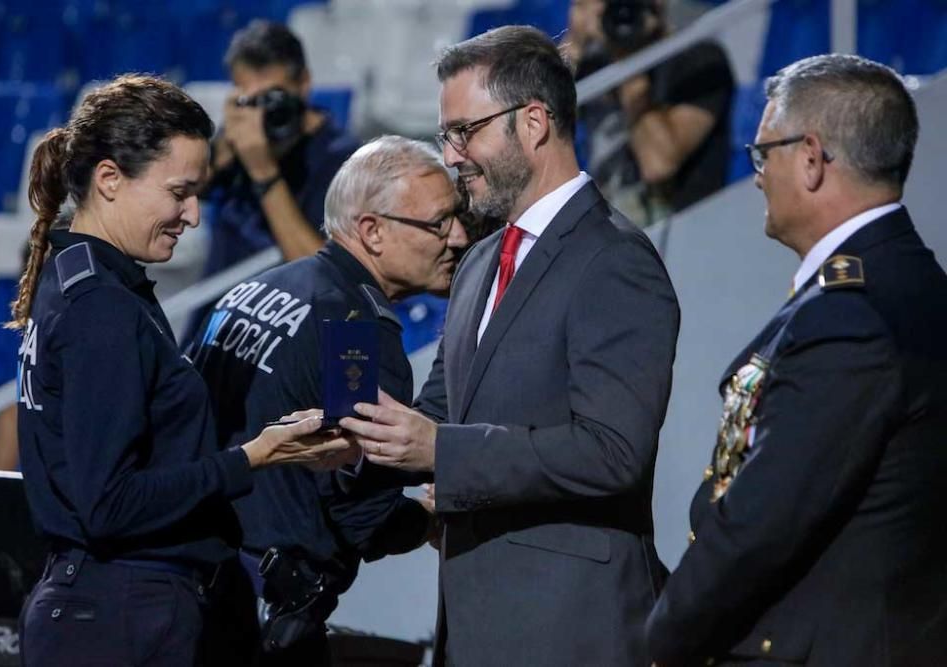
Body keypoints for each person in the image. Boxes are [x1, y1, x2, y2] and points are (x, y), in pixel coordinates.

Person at [338, 25, 681, 666]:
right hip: (476, 626)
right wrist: (351, 442)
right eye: (446, 135)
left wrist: (442, 449)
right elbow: (440, 413)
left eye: (464, 132)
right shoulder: (479, 260)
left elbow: (612, 453)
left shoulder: (614, 260)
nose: (451, 156)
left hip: (572, 628)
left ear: (533, 122)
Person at [11, 75, 352, 667]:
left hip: (101, 608)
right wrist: (255, 456)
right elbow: (111, 504)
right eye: (178, 193)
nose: (193, 215)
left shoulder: (84, 281)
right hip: (121, 615)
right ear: (110, 180)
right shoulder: (102, 309)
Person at [646, 54, 947, 666]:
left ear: (811, 158)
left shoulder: (851, 318)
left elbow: (759, 527)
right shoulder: (906, 286)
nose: (757, 176)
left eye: (764, 155)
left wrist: (656, 642)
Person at [189, 135, 468, 665]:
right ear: (372, 231)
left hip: (200, 591)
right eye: (438, 224)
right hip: (263, 620)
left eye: (457, 218)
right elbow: (361, 515)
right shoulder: (355, 334)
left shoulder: (254, 290)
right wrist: (431, 523)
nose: (456, 238)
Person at [202, 19, 360, 274]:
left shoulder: (344, 159)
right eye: (251, 100)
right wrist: (218, 157)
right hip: (219, 303)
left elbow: (325, 274)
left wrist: (263, 171)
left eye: (272, 98)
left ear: (304, 83)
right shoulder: (238, 137)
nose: (262, 114)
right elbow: (187, 193)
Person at [565, 0, 734, 227]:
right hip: (605, 232)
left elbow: (658, 165)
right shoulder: (594, 64)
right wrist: (575, 46)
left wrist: (627, 62)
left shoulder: (700, 60)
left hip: (682, 234)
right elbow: (536, 124)